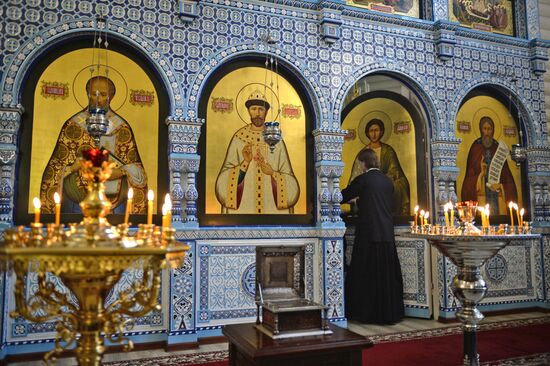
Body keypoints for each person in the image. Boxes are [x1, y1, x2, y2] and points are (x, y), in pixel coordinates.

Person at [40, 76, 148, 214]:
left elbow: (138, 170)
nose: (97, 98)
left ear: (111, 97)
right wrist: (71, 168)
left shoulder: (121, 127)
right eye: (93, 94)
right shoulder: (73, 125)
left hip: (114, 205)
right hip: (77, 204)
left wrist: (122, 171)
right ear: (87, 94)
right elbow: (54, 168)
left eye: (103, 94)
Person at [341, 148, 404, 324]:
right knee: (386, 276)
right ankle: (389, 314)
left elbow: (341, 196)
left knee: (366, 275)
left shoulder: (363, 179)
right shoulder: (387, 181)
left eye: (359, 163)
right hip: (386, 234)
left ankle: (366, 314)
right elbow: (379, 200)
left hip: (369, 234)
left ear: (363, 163)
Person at [215, 90, 300, 214]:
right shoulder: (239, 138)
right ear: (248, 111)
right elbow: (223, 182)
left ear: (266, 111)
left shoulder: (275, 139)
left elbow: (290, 179)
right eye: (253, 109)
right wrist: (245, 163)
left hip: (273, 210)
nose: (257, 113)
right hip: (243, 209)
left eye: (261, 109)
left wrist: (273, 174)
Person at [349, 119, 410, 215]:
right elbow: (356, 175)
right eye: (371, 131)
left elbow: (394, 170)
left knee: (401, 183)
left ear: (381, 132)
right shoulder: (363, 153)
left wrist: (384, 179)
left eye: (376, 130)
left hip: (384, 184)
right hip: (368, 186)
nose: (374, 134)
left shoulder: (388, 150)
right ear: (367, 133)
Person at [461, 116, 518, 215]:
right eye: (485, 129)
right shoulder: (476, 147)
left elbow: (507, 176)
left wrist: (501, 185)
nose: (487, 132)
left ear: (493, 130)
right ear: (480, 130)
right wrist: (480, 175)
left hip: (497, 196)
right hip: (481, 196)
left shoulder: (498, 148)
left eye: (489, 129)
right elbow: (468, 180)